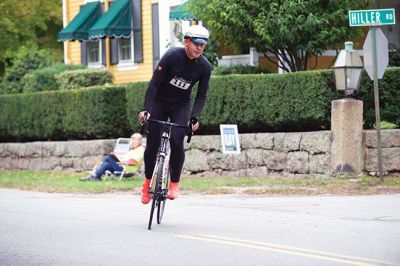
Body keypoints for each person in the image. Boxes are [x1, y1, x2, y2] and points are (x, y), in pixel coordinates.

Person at [138, 25, 212, 204]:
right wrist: (146, 110)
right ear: (186, 42)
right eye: (196, 44)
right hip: (159, 102)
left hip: (181, 104)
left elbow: (201, 95)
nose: (200, 48)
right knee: (153, 144)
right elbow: (153, 84)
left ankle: (174, 184)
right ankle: (147, 184)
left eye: (203, 45)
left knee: (177, 140)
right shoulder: (172, 56)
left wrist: (194, 118)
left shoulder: (205, 67)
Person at [80, 133, 145, 181]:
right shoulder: (133, 149)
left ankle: (95, 175)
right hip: (122, 166)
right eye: (132, 140)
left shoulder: (140, 149)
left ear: (139, 141)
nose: (133, 142)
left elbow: (135, 161)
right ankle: (96, 176)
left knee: (110, 158)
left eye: (135, 140)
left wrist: (122, 162)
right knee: (107, 164)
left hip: (126, 169)